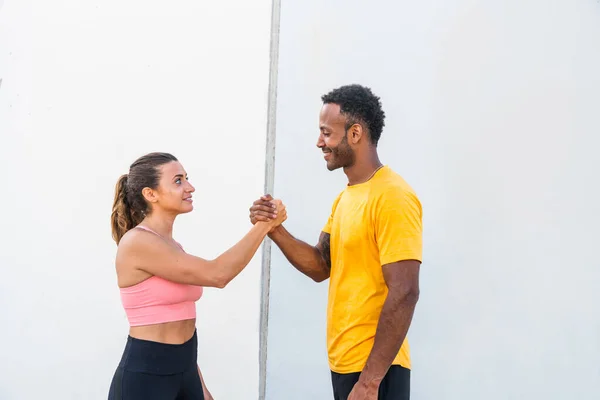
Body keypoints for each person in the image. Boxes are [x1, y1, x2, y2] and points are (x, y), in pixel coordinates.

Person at [250, 84, 422, 400]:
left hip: (376, 371)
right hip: (346, 364)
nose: (320, 142)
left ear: (355, 134)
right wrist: (275, 230)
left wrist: (370, 382)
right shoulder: (346, 198)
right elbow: (320, 265)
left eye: (327, 133)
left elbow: (406, 290)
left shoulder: (393, 196)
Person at [108, 152, 286, 400]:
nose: (190, 187)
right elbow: (218, 274)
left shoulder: (173, 246)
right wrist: (265, 225)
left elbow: (183, 323)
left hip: (185, 369)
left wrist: (199, 384)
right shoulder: (137, 242)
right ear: (151, 194)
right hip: (146, 377)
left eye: (187, 178)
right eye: (178, 181)